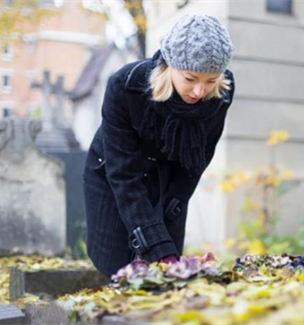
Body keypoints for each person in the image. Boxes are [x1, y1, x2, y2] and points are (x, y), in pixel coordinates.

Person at [83, 13, 235, 278]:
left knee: (167, 263)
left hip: (171, 173)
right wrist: (153, 241)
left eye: (210, 80)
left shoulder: (221, 93)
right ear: (170, 65)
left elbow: (197, 161)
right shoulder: (125, 85)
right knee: (117, 264)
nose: (200, 92)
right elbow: (123, 176)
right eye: (190, 78)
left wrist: (163, 236)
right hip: (114, 172)